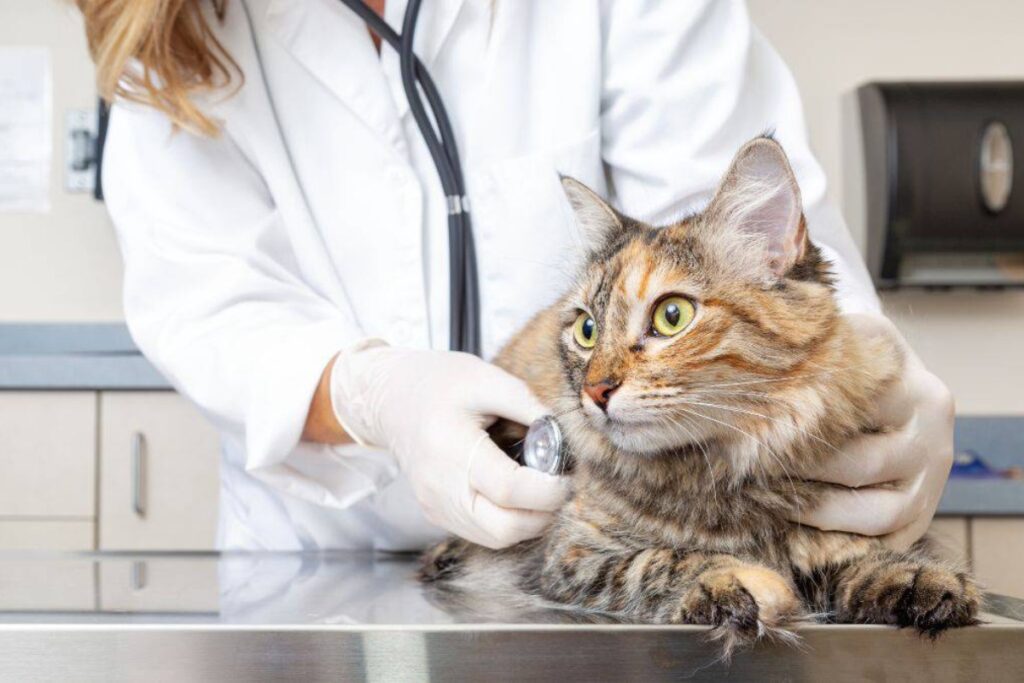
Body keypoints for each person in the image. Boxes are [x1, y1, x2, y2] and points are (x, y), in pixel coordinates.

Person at [78, 0, 954, 551]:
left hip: (617, 549)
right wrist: (375, 394)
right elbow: (210, 303)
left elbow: (732, 226)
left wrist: (859, 372)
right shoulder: (163, 25)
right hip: (323, 559)